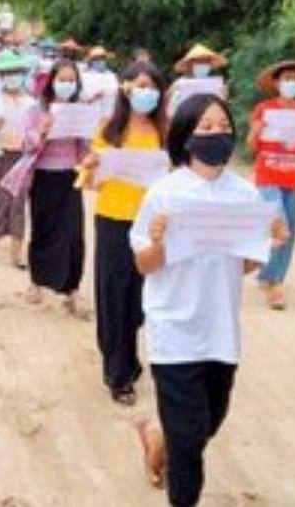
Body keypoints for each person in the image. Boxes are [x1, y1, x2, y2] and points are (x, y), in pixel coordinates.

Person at [132, 93, 287, 506]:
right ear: (186, 136)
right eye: (206, 127)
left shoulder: (245, 195)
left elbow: (243, 266)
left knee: (207, 422)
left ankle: (158, 435)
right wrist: (159, 243)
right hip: (173, 329)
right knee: (188, 447)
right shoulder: (164, 193)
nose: (217, 133)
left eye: (224, 126)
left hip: (220, 331)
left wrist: (268, 244)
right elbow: (144, 264)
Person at [81, 61, 169, 406]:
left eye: (153, 87)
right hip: (114, 219)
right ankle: (117, 373)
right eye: (141, 85)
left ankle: (126, 357)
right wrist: (90, 167)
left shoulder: (166, 132)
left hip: (153, 225)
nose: (147, 93)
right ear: (126, 88)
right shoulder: (108, 130)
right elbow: (91, 183)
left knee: (141, 299)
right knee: (114, 295)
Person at [246, 59, 295, 310]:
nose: (291, 82)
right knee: (278, 225)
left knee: (289, 228)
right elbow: (251, 145)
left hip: (293, 177)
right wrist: (257, 130)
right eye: (287, 78)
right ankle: (274, 284)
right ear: (277, 83)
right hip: (267, 175)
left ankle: (272, 275)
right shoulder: (264, 109)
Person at [17, 58, 92, 315]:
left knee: (73, 234)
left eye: (72, 80)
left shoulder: (80, 110)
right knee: (43, 229)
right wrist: (42, 132)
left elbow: (84, 147)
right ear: (51, 81)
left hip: (70, 176)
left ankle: (72, 290)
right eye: (62, 79)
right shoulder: (37, 110)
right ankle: (36, 281)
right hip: (43, 176)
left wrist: (89, 151)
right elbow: (26, 144)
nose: (67, 84)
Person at [0, 51, 36, 268]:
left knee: (18, 202)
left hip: (21, 157)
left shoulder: (31, 102)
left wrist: (30, 140)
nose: (13, 77)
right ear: (1, 76)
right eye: (9, 73)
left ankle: (16, 254)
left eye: (17, 72)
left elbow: (36, 129)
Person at [167, 43, 228, 118]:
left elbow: (222, 109)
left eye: (206, 62)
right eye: (199, 62)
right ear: (190, 64)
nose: (202, 65)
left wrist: (224, 98)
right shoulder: (179, 84)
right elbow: (168, 106)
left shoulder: (216, 85)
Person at [82, 45, 121, 121]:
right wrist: (93, 96)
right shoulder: (84, 76)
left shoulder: (111, 75)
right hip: (90, 114)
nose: (100, 61)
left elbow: (116, 91)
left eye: (102, 58)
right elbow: (82, 95)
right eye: (97, 59)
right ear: (92, 60)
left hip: (108, 114)